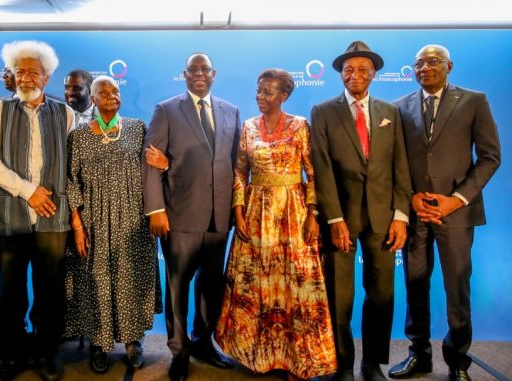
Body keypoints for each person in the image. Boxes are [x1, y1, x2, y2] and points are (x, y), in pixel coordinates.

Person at [215, 69, 337, 380]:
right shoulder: (248, 127)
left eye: (269, 91)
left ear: (284, 95)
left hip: (293, 213)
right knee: (256, 286)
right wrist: (239, 212)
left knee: (296, 286)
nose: (261, 96)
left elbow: (313, 172)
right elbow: (240, 172)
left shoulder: (300, 126)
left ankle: (298, 360)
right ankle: (258, 357)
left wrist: (313, 214)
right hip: (256, 214)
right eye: (259, 90)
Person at [388, 45, 501, 381]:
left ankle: (457, 362)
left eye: (433, 62)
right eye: (419, 64)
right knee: (415, 286)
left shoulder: (473, 101)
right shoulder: (399, 107)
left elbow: (490, 156)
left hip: (456, 214)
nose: (425, 68)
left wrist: (457, 199)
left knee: (457, 287)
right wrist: (410, 199)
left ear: (449, 66)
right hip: (417, 213)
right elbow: (396, 162)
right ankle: (419, 355)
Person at [310, 41, 412, 381]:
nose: (356, 75)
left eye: (363, 69)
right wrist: (334, 218)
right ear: (340, 74)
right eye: (349, 69)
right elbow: (322, 169)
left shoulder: (390, 113)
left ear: (374, 74)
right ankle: (343, 365)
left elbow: (401, 167)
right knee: (340, 297)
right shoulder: (323, 111)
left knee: (381, 294)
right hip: (340, 220)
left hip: (384, 220)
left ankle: (372, 363)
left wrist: (401, 216)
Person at [0, 40, 75, 381]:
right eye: (19, 71)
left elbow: (72, 164)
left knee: (50, 292)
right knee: (11, 293)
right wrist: (28, 191)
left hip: (53, 217)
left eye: (33, 72)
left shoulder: (65, 113)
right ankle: (13, 355)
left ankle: (47, 354)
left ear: (46, 77)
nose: (25, 77)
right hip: (11, 215)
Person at [142, 52, 241, 381]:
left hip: (219, 219)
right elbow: (150, 162)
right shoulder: (166, 110)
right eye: (192, 69)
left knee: (211, 287)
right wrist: (155, 209)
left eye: (205, 69)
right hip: (179, 216)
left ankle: (203, 343)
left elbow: (234, 164)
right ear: (184, 75)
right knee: (179, 287)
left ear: (214, 74)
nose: (199, 74)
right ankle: (179, 350)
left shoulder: (232, 111)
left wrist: (237, 212)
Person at [65, 75, 162, 373]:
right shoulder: (79, 136)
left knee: (131, 279)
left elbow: (151, 171)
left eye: (115, 91)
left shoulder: (137, 128)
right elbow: (71, 181)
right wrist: (78, 226)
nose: (110, 95)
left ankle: (133, 341)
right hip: (93, 220)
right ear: (92, 100)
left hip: (132, 218)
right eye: (103, 92)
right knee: (96, 282)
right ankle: (98, 342)